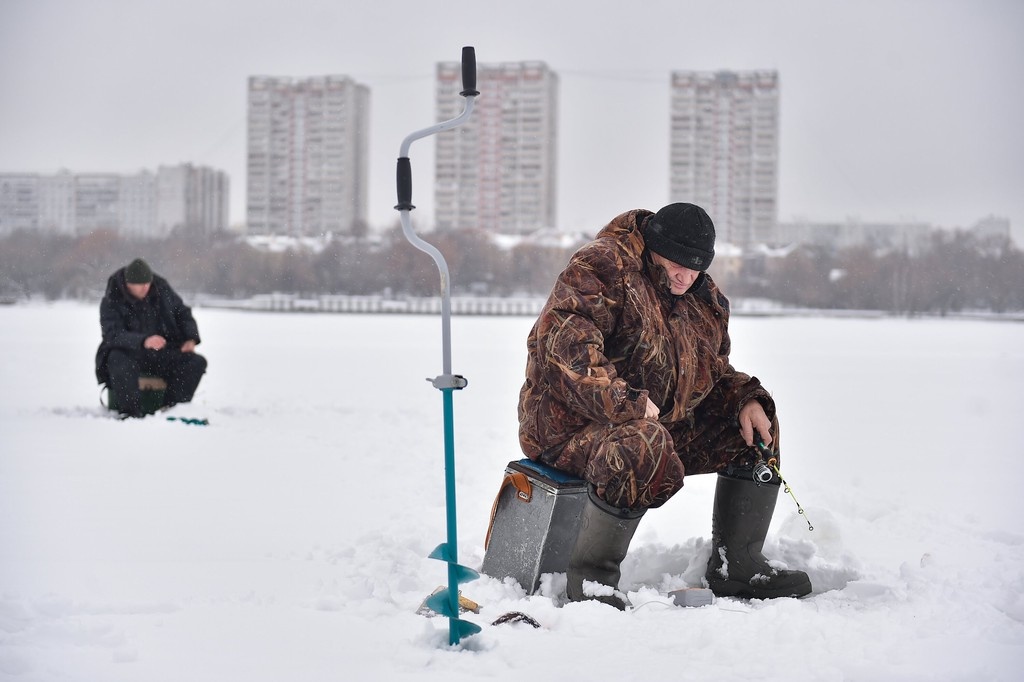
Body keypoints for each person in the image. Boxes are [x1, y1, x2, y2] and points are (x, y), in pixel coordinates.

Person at [518, 203, 811, 608]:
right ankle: (593, 585)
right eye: (677, 264)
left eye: (695, 268)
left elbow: (710, 372)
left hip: (656, 425)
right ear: (655, 245)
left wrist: (746, 398)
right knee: (641, 442)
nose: (684, 276)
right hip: (568, 428)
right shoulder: (603, 266)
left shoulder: (701, 296)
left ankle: (737, 566)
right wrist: (629, 404)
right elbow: (564, 351)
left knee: (754, 424)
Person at [95, 258, 207, 418]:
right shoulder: (111, 301)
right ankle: (130, 413)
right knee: (117, 359)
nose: (145, 288)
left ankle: (173, 409)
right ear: (128, 284)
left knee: (195, 362)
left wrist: (191, 338)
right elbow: (112, 335)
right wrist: (143, 341)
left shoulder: (162, 291)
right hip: (129, 353)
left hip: (162, 352)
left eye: (147, 283)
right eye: (140, 284)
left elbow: (182, 312)